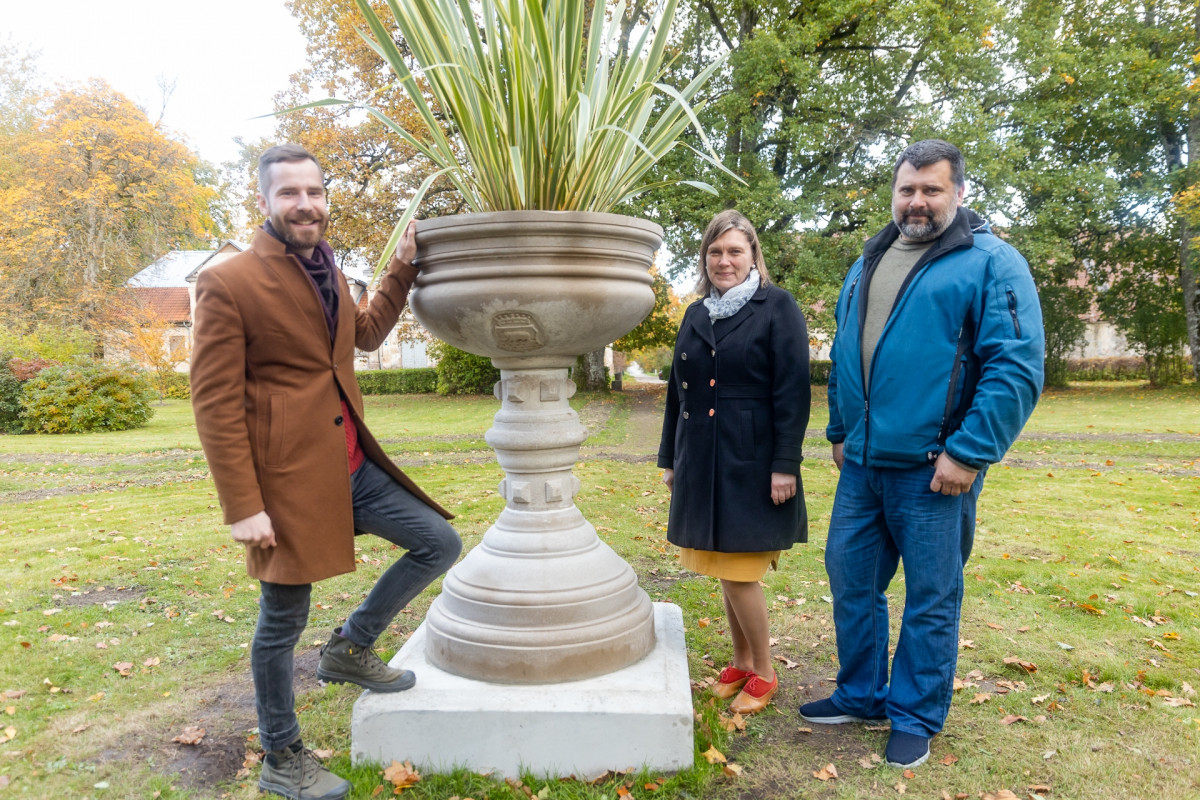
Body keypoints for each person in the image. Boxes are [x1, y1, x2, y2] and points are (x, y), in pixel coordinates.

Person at [190, 144, 462, 800]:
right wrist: (243, 506)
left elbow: (363, 336)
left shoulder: (329, 268)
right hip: (285, 482)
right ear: (263, 201)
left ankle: (350, 648)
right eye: (289, 193)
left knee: (438, 542)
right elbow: (214, 403)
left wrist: (401, 269)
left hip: (353, 466)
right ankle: (282, 757)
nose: (305, 204)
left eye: (314, 191)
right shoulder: (229, 282)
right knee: (282, 621)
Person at [799, 139, 1044, 768]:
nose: (917, 201)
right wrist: (838, 431)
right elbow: (846, 353)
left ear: (958, 192)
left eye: (931, 189)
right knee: (851, 581)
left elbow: (1015, 368)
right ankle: (860, 694)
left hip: (936, 470)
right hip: (863, 467)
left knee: (931, 597)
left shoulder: (991, 262)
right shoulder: (869, 260)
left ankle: (913, 715)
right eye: (907, 189)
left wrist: (969, 453)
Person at [657, 209, 811, 716]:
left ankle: (764, 671)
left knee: (740, 569)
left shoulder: (777, 306)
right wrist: (670, 457)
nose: (724, 260)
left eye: (735, 251)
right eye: (715, 251)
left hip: (753, 457)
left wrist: (785, 464)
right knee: (723, 564)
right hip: (701, 455)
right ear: (705, 258)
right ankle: (742, 661)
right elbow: (677, 393)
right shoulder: (696, 313)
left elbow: (793, 391)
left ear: (752, 256)